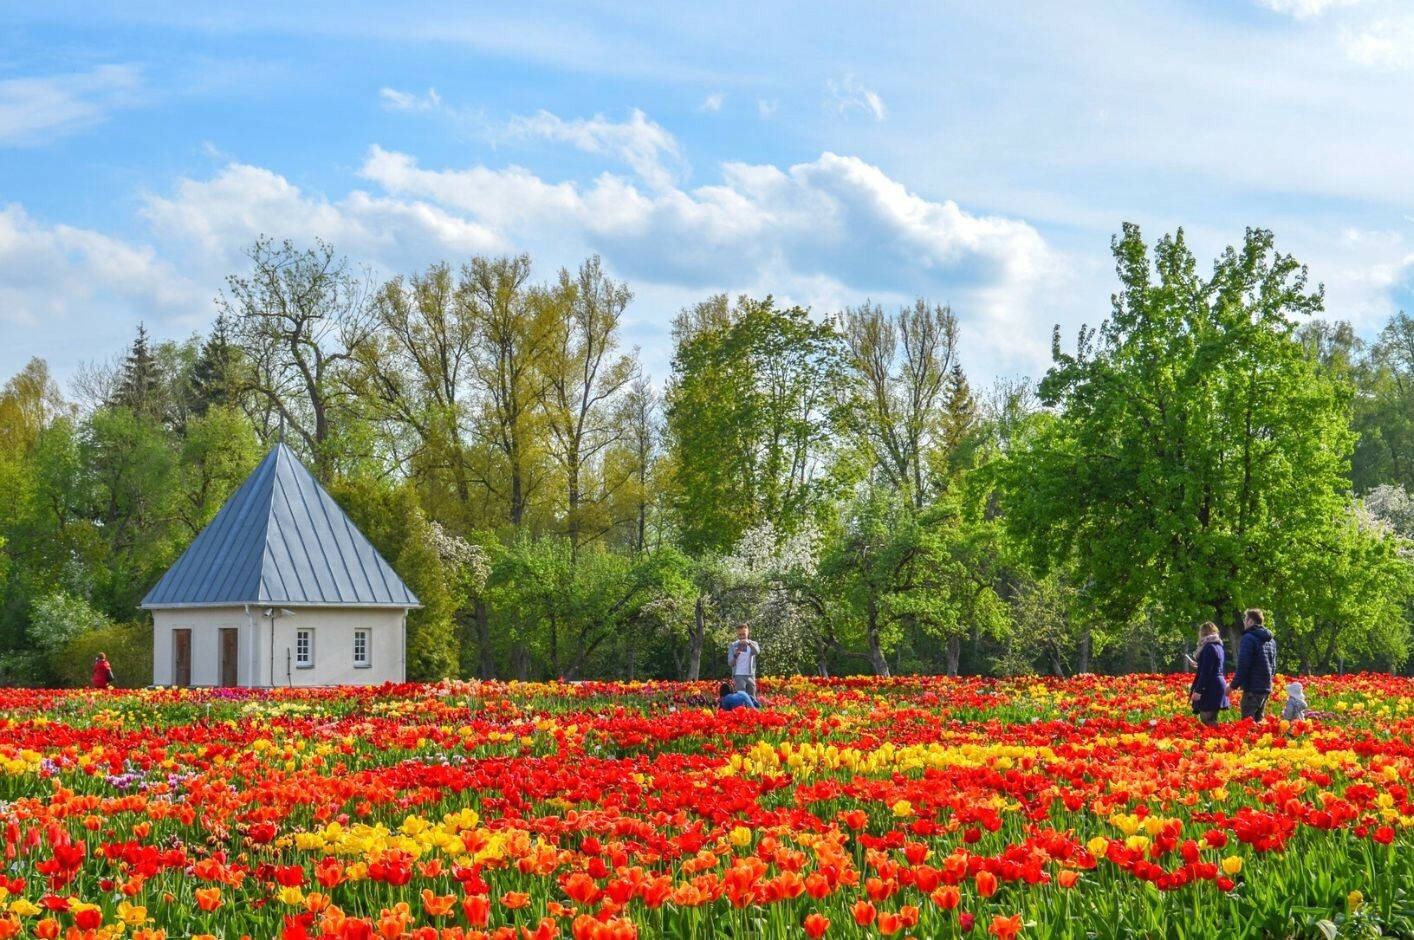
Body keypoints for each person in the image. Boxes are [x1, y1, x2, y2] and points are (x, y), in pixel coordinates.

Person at [1228, 608, 1277, 722]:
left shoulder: (1248, 638)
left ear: (1251, 621)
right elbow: (1273, 666)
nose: (1244, 623)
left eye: (1245, 619)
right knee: (1259, 722)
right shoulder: (1271, 641)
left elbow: (1244, 665)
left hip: (1252, 689)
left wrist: (1232, 686)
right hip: (1265, 688)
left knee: (1247, 724)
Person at [1188, 622, 1229, 726]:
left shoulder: (1208, 647)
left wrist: (1198, 691)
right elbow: (1213, 665)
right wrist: (1199, 665)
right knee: (1211, 717)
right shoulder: (1218, 646)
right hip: (1218, 684)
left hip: (1211, 686)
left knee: (1206, 718)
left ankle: (1221, 737)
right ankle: (1218, 739)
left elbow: (1206, 672)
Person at [728, 623, 760, 697]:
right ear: (737, 634)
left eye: (744, 634)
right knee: (741, 697)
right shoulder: (733, 645)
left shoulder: (753, 643)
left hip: (750, 675)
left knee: (752, 697)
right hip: (738, 675)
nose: (742, 637)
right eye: (740, 635)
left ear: (747, 633)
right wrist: (735, 655)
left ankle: (752, 708)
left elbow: (757, 652)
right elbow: (730, 663)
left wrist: (749, 644)